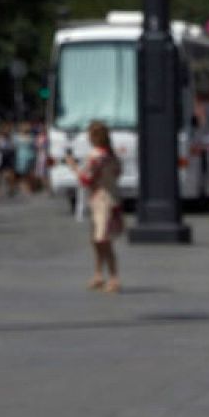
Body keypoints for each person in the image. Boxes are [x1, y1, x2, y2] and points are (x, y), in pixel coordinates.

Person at [66, 120, 123, 293]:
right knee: (97, 240)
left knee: (102, 239)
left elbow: (85, 180)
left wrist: (73, 166)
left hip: (101, 200)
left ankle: (113, 277)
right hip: (109, 197)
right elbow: (117, 173)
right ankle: (99, 274)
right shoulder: (112, 155)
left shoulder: (96, 157)